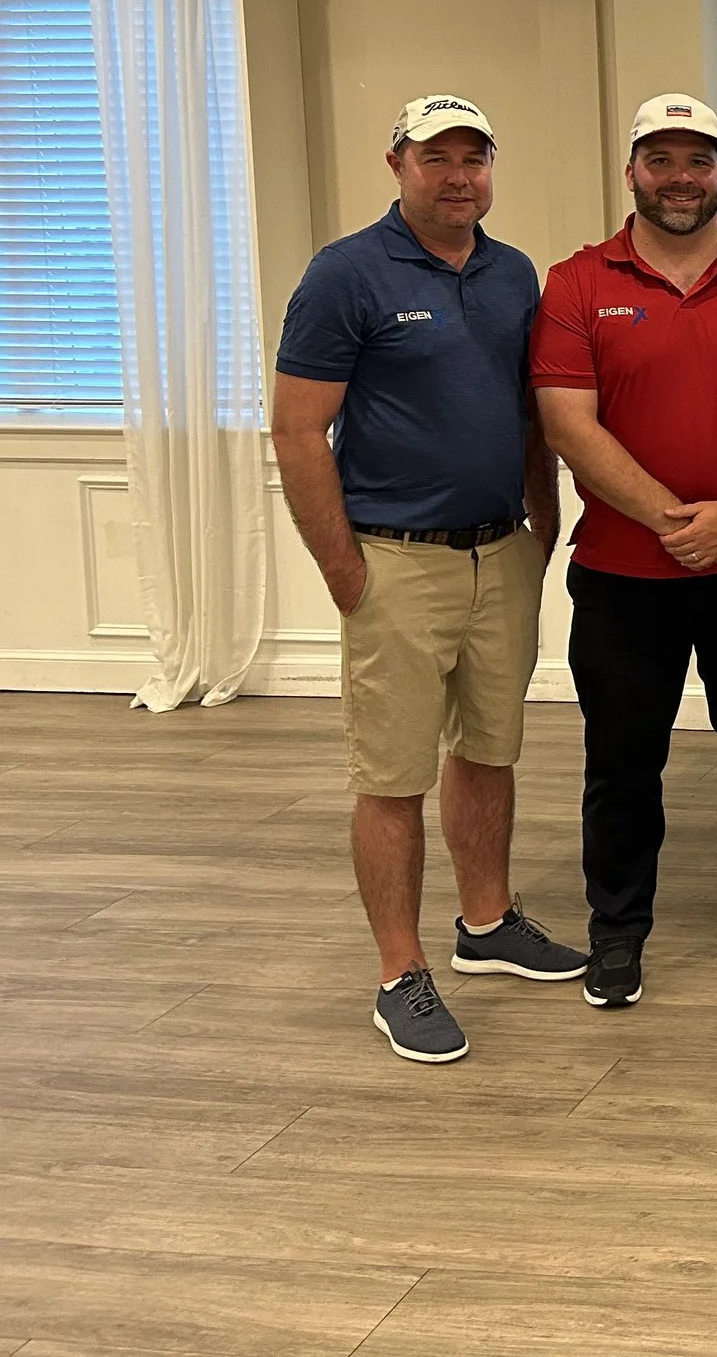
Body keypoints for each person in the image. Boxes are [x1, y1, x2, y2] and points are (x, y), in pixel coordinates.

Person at [272, 94, 584, 1064]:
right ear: (397, 164)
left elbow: (527, 411)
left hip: (501, 550)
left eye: (473, 157)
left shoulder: (512, 272)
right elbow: (297, 428)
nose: (457, 176)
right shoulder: (346, 274)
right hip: (394, 559)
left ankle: (485, 922)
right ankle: (399, 972)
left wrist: (542, 518)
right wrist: (343, 569)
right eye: (434, 157)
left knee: (489, 750)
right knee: (392, 773)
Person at [532, 93, 717, 1011]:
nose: (679, 178)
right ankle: (618, 925)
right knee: (623, 759)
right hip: (624, 577)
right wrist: (675, 520)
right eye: (659, 159)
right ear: (631, 171)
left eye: (697, 160)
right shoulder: (577, 282)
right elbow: (567, 424)